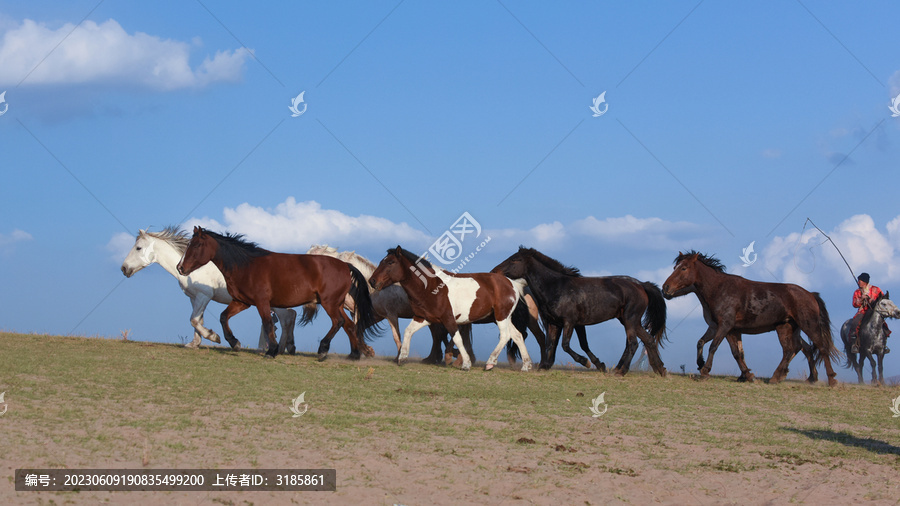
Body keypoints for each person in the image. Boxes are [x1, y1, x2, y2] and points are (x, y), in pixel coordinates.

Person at [850, 272, 890, 354]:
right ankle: (854, 344)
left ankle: (883, 344)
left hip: (874, 311)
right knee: (855, 323)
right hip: (863, 311)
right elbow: (854, 304)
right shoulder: (857, 292)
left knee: (883, 325)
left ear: (865, 281)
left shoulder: (876, 290)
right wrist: (861, 299)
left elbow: (882, 300)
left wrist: (870, 300)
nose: (858, 282)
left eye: (860, 281)